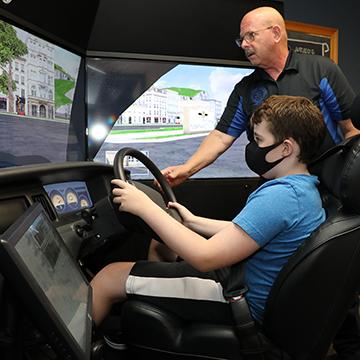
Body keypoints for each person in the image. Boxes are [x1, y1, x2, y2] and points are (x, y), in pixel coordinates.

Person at [90, 95, 326, 334]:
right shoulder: (302, 189)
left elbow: (204, 257)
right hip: (246, 284)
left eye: (258, 140)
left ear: (286, 148)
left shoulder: (280, 196)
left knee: (109, 277)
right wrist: (192, 221)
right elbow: (248, 231)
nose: (252, 147)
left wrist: (144, 206)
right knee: (160, 247)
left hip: (239, 299)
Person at [161, 6, 359, 187]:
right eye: (242, 39)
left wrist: (346, 181)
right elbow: (221, 137)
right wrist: (187, 169)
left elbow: (351, 130)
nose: (244, 45)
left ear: (275, 33)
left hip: (325, 185)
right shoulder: (245, 89)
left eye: (251, 36)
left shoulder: (321, 69)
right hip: (274, 188)